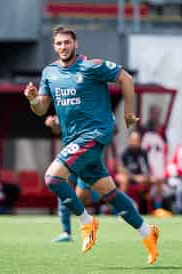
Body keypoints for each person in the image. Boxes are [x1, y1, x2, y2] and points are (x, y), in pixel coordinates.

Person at [23, 25, 159, 264]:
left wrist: (128, 113)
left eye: (67, 42)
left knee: (52, 178)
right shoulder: (49, 73)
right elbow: (40, 110)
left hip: (96, 133)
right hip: (73, 138)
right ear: (54, 46)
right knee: (110, 193)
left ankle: (87, 222)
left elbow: (125, 78)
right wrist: (33, 99)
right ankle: (148, 233)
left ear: (76, 44)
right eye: (59, 43)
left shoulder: (92, 66)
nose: (63, 47)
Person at [45, 115, 101, 243]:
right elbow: (58, 130)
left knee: (81, 198)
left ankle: (104, 202)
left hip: (87, 158)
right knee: (62, 187)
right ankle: (66, 232)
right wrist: (54, 125)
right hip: (70, 158)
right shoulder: (65, 104)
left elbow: (115, 129)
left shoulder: (92, 103)